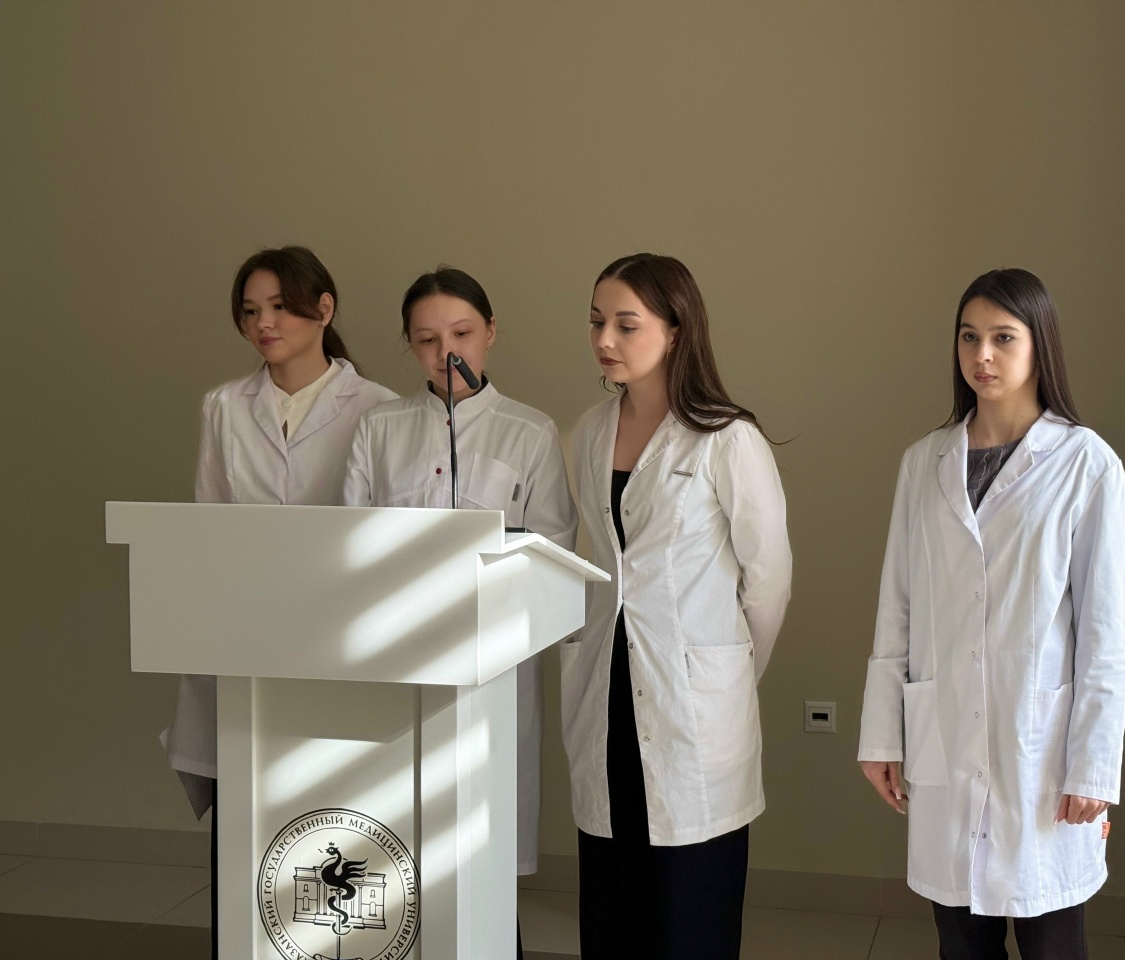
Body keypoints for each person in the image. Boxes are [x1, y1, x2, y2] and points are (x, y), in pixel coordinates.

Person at [857, 268, 1125, 960]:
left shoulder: (1087, 465)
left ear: (1040, 346)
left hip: (1039, 749)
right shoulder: (924, 463)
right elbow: (898, 605)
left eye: (1003, 338)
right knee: (960, 940)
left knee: (1052, 940)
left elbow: (1105, 634)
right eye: (968, 337)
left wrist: (1092, 766)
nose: (982, 355)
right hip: (944, 733)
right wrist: (881, 733)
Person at [164, 246, 396, 953]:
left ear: (323, 309)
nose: (263, 323)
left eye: (278, 307)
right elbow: (209, 524)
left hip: (335, 641)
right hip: (248, 638)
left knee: (331, 832)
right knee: (249, 826)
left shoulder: (379, 409)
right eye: (250, 311)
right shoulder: (223, 407)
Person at [564, 253, 792, 960]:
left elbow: (769, 581)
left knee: (690, 916)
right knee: (614, 906)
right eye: (597, 322)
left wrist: (725, 669)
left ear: (676, 330)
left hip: (694, 706)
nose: (605, 339)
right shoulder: (588, 432)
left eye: (626, 324)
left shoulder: (728, 438)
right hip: (606, 692)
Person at [344, 266, 576, 958]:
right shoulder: (379, 428)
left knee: (483, 856)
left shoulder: (529, 432)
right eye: (426, 339)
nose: (446, 353)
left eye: (462, 334)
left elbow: (553, 553)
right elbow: (347, 545)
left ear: (491, 332)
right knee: (394, 855)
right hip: (399, 667)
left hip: (490, 669)